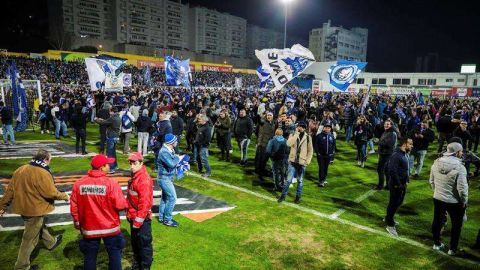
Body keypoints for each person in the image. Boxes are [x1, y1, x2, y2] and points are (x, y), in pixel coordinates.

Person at [0, 149, 69, 270]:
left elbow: (10, 190)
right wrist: (65, 196)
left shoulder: (20, 169)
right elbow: (50, 192)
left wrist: (2, 206)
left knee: (38, 227)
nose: (49, 163)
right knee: (29, 239)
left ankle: (51, 243)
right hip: (35, 209)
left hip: (23, 207)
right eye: (49, 161)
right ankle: (21, 267)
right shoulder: (43, 172)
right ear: (44, 160)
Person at [70, 154, 128, 269]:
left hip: (89, 228)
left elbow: (74, 205)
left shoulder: (79, 184)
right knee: (115, 254)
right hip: (110, 227)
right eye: (108, 164)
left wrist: (77, 222)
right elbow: (120, 205)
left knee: (90, 257)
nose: (110, 166)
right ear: (102, 167)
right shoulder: (112, 184)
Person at [429, 142, 468, 257]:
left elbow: (431, 181)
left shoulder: (436, 162)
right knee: (456, 225)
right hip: (454, 202)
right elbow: (462, 189)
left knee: (437, 221)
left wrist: (438, 192)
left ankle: (436, 244)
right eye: (461, 151)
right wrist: (464, 201)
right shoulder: (460, 167)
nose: (462, 153)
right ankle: (453, 249)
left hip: (438, 198)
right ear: (456, 153)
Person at [127, 152, 153, 270]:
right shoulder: (135, 176)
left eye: (134, 163)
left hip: (142, 219)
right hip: (134, 216)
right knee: (135, 243)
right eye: (130, 163)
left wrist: (137, 222)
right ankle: (137, 263)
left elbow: (145, 203)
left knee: (144, 243)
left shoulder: (143, 180)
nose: (132, 166)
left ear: (141, 163)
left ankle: (145, 266)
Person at [278, 121, 314, 204]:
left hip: (302, 163)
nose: (299, 127)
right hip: (293, 162)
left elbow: (310, 151)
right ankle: (283, 196)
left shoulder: (308, 137)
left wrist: (307, 161)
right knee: (288, 180)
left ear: (304, 128)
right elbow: (288, 144)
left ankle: (298, 197)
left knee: (300, 181)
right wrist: (296, 134)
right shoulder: (293, 134)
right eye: (299, 126)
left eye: (301, 126)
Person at [385, 137, 413, 237]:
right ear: (404, 144)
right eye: (410, 144)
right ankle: (389, 224)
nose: (412, 146)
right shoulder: (396, 155)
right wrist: (398, 184)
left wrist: (406, 180)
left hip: (402, 183)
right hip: (396, 184)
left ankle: (388, 217)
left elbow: (405, 169)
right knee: (393, 203)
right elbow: (392, 170)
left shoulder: (404, 153)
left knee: (398, 202)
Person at [157, 133, 180, 227]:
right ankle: (167, 219)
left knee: (165, 198)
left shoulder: (169, 149)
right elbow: (171, 163)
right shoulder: (164, 152)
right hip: (164, 178)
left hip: (167, 177)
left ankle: (161, 217)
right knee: (172, 198)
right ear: (171, 142)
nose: (177, 142)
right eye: (176, 140)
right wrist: (178, 158)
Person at [95, 106, 121, 173]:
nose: (109, 113)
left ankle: (111, 168)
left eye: (110, 111)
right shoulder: (118, 117)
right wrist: (102, 120)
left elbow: (103, 123)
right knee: (113, 153)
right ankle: (115, 165)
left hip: (111, 137)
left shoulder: (112, 118)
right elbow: (107, 122)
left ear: (112, 111)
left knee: (109, 153)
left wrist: (96, 119)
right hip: (116, 136)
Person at [376, 120, 397, 190]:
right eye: (385, 124)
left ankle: (380, 186)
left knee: (380, 169)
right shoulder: (386, 132)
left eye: (388, 124)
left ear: (391, 125)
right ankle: (388, 185)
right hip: (384, 153)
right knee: (386, 170)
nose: (386, 125)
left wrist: (379, 141)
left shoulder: (392, 133)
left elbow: (389, 144)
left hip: (386, 154)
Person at [255, 112, 275, 178]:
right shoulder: (263, 122)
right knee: (262, 158)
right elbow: (259, 120)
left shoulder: (273, 124)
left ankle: (261, 170)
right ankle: (260, 172)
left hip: (270, 144)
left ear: (272, 117)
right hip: (263, 143)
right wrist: (259, 115)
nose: (269, 116)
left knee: (265, 159)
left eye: (270, 115)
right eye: (268, 115)